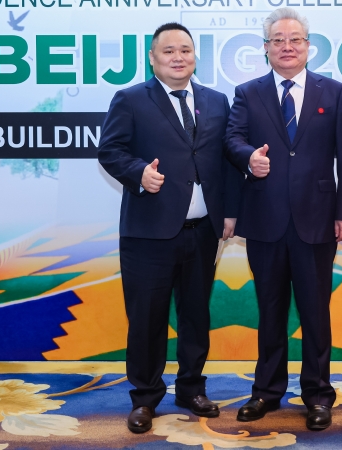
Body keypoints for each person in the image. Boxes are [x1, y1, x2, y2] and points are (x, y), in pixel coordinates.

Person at [98, 22, 241, 434]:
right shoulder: (130, 99)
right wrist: (138, 172)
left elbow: (225, 161)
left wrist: (229, 212)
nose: (178, 57)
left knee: (195, 315)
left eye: (185, 50)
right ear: (152, 58)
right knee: (147, 319)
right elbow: (110, 150)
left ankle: (191, 389)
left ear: (195, 56)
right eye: (168, 51)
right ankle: (145, 398)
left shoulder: (216, 101)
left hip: (203, 231)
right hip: (148, 232)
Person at [225, 7, 342, 431]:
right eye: (278, 40)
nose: (287, 47)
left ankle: (318, 395)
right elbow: (232, 139)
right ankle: (266, 392)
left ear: (308, 46)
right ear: (265, 48)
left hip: (317, 220)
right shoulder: (247, 93)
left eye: (295, 39)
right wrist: (248, 157)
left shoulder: (333, 92)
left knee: (315, 311)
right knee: (270, 310)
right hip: (264, 219)